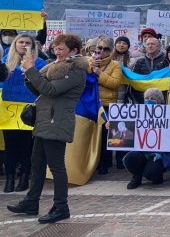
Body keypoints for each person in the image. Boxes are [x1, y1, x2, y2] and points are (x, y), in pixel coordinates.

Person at [7, 34, 87, 223]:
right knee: (37, 163)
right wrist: (29, 74)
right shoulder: (52, 67)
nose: (57, 52)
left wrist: (32, 70)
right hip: (45, 120)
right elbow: (40, 90)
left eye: (61, 49)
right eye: (56, 48)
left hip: (57, 121)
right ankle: (31, 201)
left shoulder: (75, 70)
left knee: (56, 167)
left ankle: (61, 206)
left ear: (74, 51)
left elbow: (51, 90)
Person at [2, 34, 47, 192]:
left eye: (27, 42)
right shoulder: (5, 61)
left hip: (30, 110)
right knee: (10, 147)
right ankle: (9, 179)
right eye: (21, 42)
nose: (24, 45)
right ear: (15, 44)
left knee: (27, 147)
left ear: (32, 46)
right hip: (9, 111)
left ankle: (24, 178)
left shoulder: (39, 62)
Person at [122, 88, 170, 189]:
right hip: (140, 152)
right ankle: (137, 177)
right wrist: (112, 125)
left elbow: (169, 141)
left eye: (152, 98)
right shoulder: (138, 113)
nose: (148, 100)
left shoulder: (165, 116)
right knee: (128, 159)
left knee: (151, 173)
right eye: (146, 98)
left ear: (159, 101)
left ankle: (157, 175)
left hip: (157, 154)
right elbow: (126, 129)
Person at [90, 38, 123, 175]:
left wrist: (99, 73)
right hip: (90, 104)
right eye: (100, 48)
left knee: (104, 136)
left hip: (106, 104)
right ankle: (91, 163)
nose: (102, 51)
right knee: (91, 136)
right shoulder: (88, 62)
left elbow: (115, 83)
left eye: (106, 49)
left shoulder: (115, 65)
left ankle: (104, 163)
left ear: (111, 51)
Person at [131, 37, 167, 103]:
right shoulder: (140, 62)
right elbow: (134, 83)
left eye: (152, 44)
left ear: (159, 47)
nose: (150, 46)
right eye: (148, 44)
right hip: (142, 100)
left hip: (162, 102)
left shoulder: (166, 61)